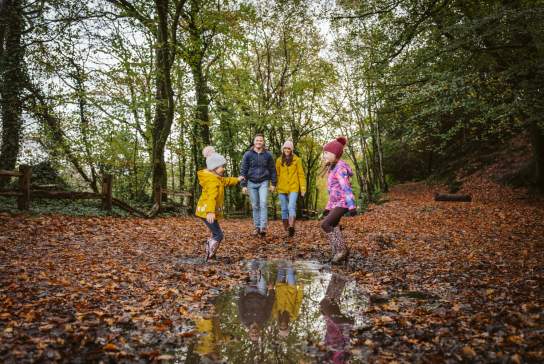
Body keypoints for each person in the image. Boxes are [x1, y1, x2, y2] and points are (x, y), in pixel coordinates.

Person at [196, 146, 244, 260]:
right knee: (219, 235)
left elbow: (226, 181)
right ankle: (209, 254)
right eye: (221, 166)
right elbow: (211, 197)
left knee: (216, 233)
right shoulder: (212, 181)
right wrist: (210, 212)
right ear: (213, 168)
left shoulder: (217, 178)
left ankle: (211, 254)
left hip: (207, 211)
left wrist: (237, 179)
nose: (223, 169)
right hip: (207, 212)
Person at [320, 137, 356, 264]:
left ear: (335, 154)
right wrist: (327, 207)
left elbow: (346, 188)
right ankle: (338, 252)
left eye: (326, 153)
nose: (324, 155)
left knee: (325, 225)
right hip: (336, 202)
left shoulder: (340, 168)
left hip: (343, 202)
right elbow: (333, 192)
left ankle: (341, 250)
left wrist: (351, 206)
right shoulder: (332, 167)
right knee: (333, 226)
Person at [240, 134, 277, 237]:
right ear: (254, 141)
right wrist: (243, 185)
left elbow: (273, 170)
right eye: (257, 140)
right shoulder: (248, 154)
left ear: (263, 142)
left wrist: (273, 183)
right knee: (255, 205)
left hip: (264, 182)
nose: (259, 142)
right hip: (251, 182)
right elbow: (243, 170)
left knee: (263, 203)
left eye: (261, 140)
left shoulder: (268, 155)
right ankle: (256, 227)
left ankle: (263, 227)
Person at [275, 140, 306, 237]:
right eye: (285, 148)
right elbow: (276, 174)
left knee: (291, 206)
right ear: (283, 149)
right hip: (282, 188)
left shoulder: (297, 160)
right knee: (284, 209)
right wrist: (273, 185)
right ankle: (286, 229)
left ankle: (291, 227)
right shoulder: (279, 160)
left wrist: (303, 188)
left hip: (293, 187)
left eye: (289, 148)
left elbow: (301, 175)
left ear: (291, 150)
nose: (287, 150)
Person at [272, 262, 303, 339]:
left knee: (281, 267)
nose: (283, 325)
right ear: (287, 326)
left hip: (280, 288)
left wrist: (272, 289)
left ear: (279, 325)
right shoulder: (293, 316)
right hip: (291, 290)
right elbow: (298, 302)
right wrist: (301, 289)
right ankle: (292, 260)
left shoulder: (275, 314)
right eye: (284, 327)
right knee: (289, 270)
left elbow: (274, 300)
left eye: (281, 327)